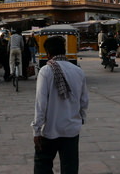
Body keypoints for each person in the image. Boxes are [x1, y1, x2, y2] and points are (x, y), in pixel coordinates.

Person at [31, 35, 89, 174]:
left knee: (42, 165)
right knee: (70, 167)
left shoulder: (46, 71)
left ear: (48, 53)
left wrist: (36, 129)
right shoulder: (78, 71)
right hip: (71, 129)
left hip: (49, 130)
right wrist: (79, 119)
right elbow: (84, 101)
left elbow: (41, 103)